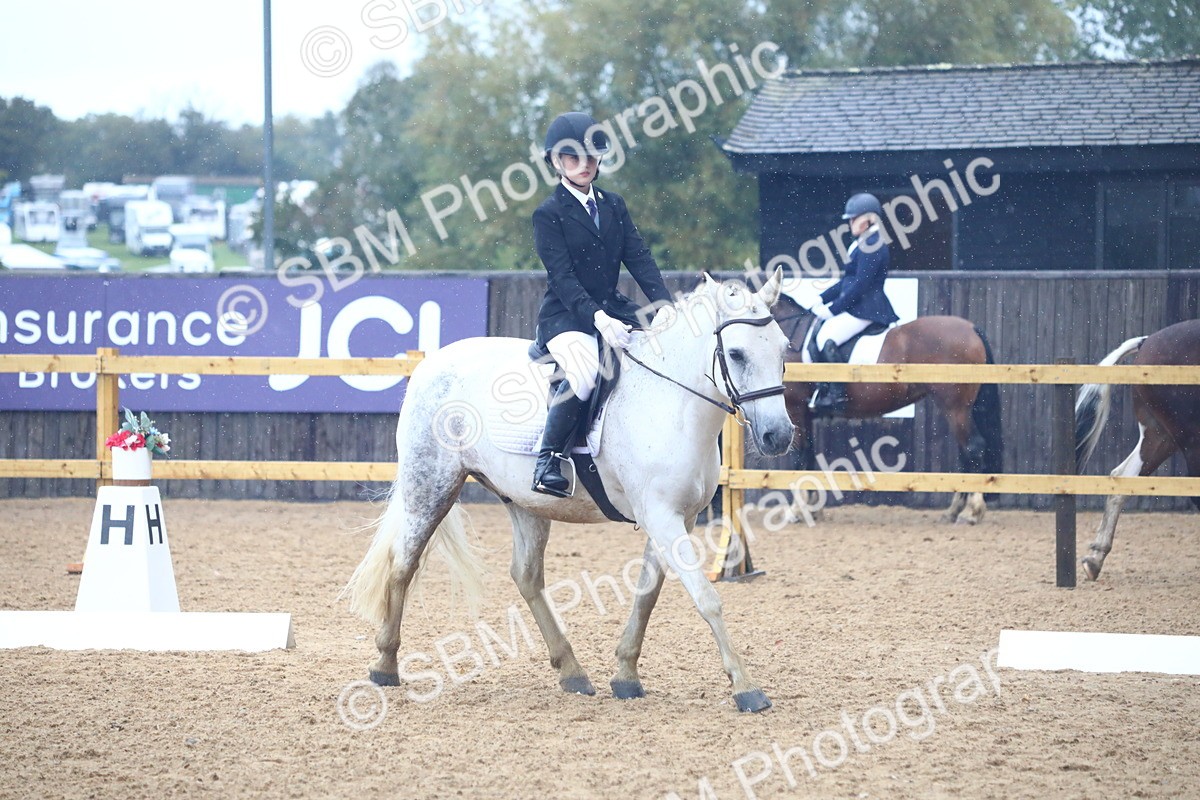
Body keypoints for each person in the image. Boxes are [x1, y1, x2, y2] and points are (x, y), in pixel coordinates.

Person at [530, 111, 673, 497]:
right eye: (574, 158)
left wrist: (665, 307)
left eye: (591, 157)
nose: (585, 165)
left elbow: (639, 257)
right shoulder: (548, 214)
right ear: (556, 162)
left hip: (613, 305)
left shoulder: (613, 205)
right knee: (586, 372)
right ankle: (547, 461)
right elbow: (562, 279)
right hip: (566, 315)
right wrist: (597, 316)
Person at [809, 192, 899, 415]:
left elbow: (860, 285)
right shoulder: (861, 244)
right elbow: (846, 281)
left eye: (854, 218)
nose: (850, 223)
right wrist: (822, 298)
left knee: (826, 339)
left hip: (868, 308)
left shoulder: (874, 243)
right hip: (859, 305)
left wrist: (832, 309)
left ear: (869, 219)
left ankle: (837, 395)